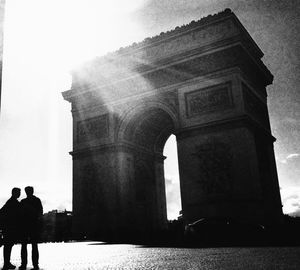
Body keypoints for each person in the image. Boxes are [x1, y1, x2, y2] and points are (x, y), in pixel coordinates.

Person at [19, 187, 43, 270]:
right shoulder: (37, 200)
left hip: (25, 226)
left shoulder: (23, 202)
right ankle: (35, 265)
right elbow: (40, 213)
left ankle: (23, 264)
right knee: (34, 246)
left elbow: (20, 215)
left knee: (24, 246)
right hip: (34, 226)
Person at [0, 187, 21, 270]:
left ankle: (7, 263)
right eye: (18, 192)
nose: (19, 194)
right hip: (10, 228)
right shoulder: (13, 202)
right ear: (14, 193)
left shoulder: (10, 201)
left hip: (8, 227)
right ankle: (6, 264)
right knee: (8, 245)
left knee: (8, 246)